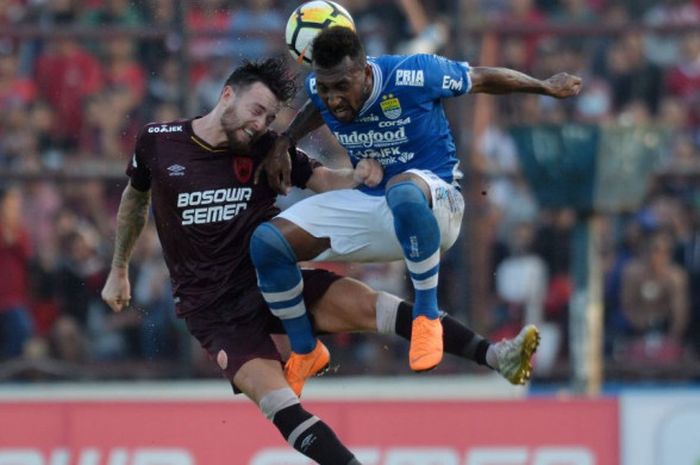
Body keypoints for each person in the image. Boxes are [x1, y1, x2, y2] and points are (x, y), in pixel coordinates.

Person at [101, 58, 539, 465]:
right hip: (213, 311)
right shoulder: (159, 142)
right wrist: (119, 267)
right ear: (227, 95)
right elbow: (134, 200)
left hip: (272, 280)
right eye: (256, 110)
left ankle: (496, 356)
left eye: (270, 118)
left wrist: (356, 176)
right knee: (279, 404)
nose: (260, 124)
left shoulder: (265, 148)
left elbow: (320, 178)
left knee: (376, 307)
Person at [252, 26, 580, 389]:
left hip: (436, 203)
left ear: (364, 72)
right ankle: (305, 350)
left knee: (403, 190)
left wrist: (545, 86)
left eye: (341, 87)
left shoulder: (413, 74)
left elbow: (482, 77)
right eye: (326, 89)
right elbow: (315, 107)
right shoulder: (321, 88)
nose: (333, 100)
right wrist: (285, 140)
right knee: (267, 243)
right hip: (373, 202)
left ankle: (426, 317)